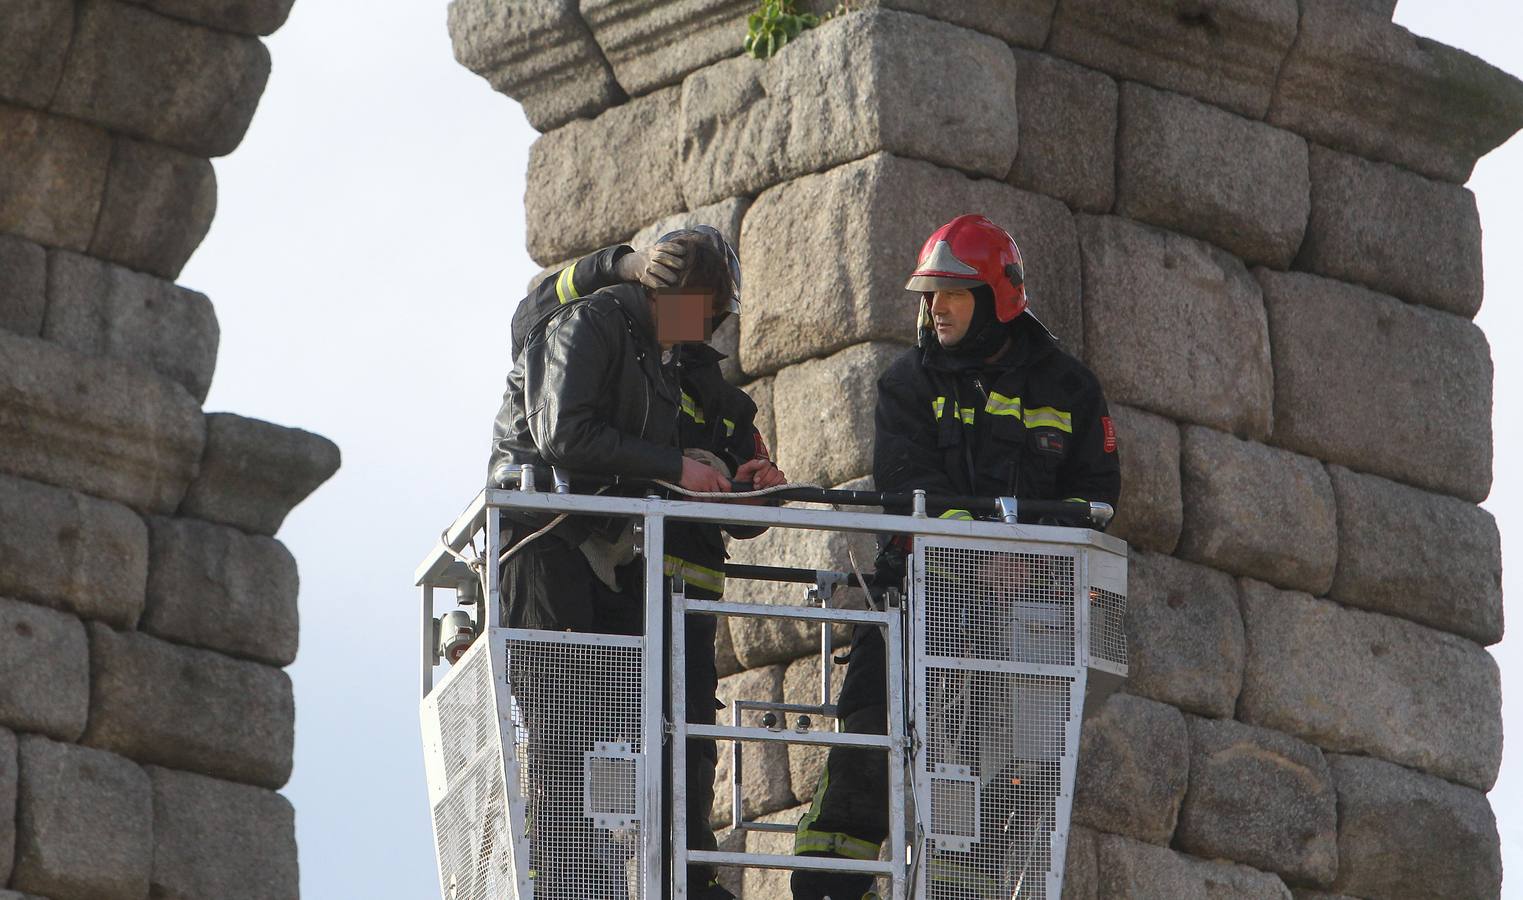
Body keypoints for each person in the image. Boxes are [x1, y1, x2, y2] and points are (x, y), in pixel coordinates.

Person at [790, 214, 1121, 900]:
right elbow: (908, 488)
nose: (933, 307)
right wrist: (981, 554)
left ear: (997, 298)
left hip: (1016, 620)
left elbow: (1094, 499)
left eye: (951, 293)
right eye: (928, 294)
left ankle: (960, 891)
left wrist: (1027, 563)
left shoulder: (1068, 389)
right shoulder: (906, 384)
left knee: (988, 769)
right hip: (913, 600)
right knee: (866, 741)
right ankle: (826, 886)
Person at [488, 227, 783, 900]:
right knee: (566, 720)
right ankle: (566, 879)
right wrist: (676, 466)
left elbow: (670, 458)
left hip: (601, 551)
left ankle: (647, 875)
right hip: (542, 542)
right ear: (678, 296)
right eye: (706, 313)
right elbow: (566, 434)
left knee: (643, 710)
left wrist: (744, 482)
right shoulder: (593, 322)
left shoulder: (658, 352)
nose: (708, 331)